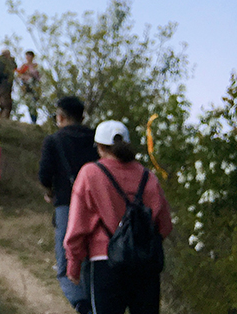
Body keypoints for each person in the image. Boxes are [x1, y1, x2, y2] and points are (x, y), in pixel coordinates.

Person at [64, 121, 172, 314]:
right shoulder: (148, 176)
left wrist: (73, 263)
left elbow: (78, 224)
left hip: (105, 262)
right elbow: (164, 225)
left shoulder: (90, 173)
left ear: (98, 146)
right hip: (144, 265)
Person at [37, 96, 98, 314]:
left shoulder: (53, 140)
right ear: (83, 117)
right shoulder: (96, 139)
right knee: (92, 258)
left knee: (65, 264)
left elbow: (44, 175)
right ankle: (95, 303)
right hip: (96, 206)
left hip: (67, 205)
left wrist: (50, 192)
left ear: (60, 116)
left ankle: (81, 305)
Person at [0, 49, 17, 120]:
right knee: (6, 103)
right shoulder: (3, 61)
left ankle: (2, 118)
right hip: (4, 84)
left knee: (2, 101)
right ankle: (4, 118)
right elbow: (12, 68)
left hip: (0, 85)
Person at [17, 51, 42, 124]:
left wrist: (32, 75)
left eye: (29, 56)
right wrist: (24, 76)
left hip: (34, 85)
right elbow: (19, 75)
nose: (28, 57)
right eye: (27, 56)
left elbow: (39, 76)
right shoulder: (23, 66)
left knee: (34, 103)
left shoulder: (35, 66)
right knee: (29, 102)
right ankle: (31, 119)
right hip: (26, 86)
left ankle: (34, 120)